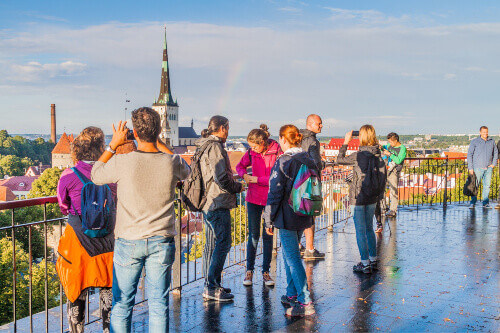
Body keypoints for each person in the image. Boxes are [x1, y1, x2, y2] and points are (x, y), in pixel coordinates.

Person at [91, 107, 190, 332]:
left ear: (134, 133)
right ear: (158, 131)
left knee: (123, 304)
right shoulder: (172, 161)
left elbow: (96, 174)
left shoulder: (124, 161)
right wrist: (161, 143)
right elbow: (188, 172)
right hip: (161, 240)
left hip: (129, 239)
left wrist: (112, 145)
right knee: (158, 304)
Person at [56, 127, 115, 333]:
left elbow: (63, 205)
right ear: (101, 148)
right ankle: (109, 329)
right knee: (108, 287)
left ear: (78, 150)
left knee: (76, 288)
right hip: (107, 237)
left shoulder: (68, 175)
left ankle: (77, 330)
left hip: (78, 238)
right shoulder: (110, 172)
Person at [264, 124, 316, 317]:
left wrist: (268, 219)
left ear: (284, 139)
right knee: (289, 255)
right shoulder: (307, 158)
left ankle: (305, 301)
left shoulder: (284, 161)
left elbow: (275, 193)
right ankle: (291, 293)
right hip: (304, 213)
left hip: (286, 216)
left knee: (293, 258)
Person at [197, 115, 244, 302]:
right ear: (223, 128)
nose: (228, 131)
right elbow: (221, 178)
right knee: (223, 242)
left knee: (213, 243)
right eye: (228, 127)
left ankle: (212, 283)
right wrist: (238, 187)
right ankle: (211, 285)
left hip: (207, 201)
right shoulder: (215, 147)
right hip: (217, 201)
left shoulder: (203, 144)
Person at [336, 125, 387, 274]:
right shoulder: (378, 155)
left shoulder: (358, 155)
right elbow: (383, 177)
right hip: (373, 197)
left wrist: (346, 142)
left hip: (358, 197)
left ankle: (364, 263)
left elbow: (340, 159)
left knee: (360, 230)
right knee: (369, 228)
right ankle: (373, 259)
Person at [236, 124, 281, 287]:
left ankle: (266, 271)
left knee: (268, 234)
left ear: (263, 142)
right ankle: (249, 271)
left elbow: (278, 176)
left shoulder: (277, 151)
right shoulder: (250, 153)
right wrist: (244, 175)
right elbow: (239, 166)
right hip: (253, 198)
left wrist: (257, 179)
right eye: (250, 147)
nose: (252, 149)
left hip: (270, 198)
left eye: (254, 146)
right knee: (253, 235)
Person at [299, 114, 325, 260]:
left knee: (301, 212)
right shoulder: (312, 141)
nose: (321, 126)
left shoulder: (300, 138)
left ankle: (298, 244)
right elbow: (314, 162)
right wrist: (322, 164)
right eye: (319, 124)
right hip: (311, 182)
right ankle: (310, 249)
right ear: (310, 124)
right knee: (310, 215)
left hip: (300, 181)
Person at [467, 126, 498, 209]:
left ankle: (485, 203)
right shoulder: (475, 141)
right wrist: (470, 168)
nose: (485, 133)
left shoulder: (491, 141)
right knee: (475, 186)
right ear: (480, 132)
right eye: (484, 132)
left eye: (486, 132)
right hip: (477, 168)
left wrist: (493, 164)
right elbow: (469, 154)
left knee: (487, 186)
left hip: (488, 168)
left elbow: (495, 152)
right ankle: (472, 203)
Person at [379, 132, 407, 220]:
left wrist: (390, 154)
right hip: (386, 168)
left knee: (393, 190)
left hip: (394, 171)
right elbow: (384, 149)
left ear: (395, 141)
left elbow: (398, 160)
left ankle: (393, 210)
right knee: (382, 189)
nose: (389, 144)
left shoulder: (402, 148)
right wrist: (381, 148)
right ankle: (383, 207)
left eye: (391, 142)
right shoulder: (389, 145)